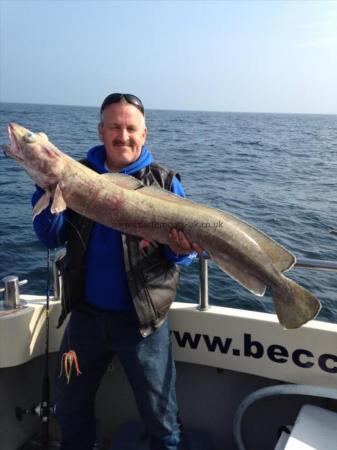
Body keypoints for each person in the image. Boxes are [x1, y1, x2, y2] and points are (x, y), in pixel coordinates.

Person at [32, 93, 202, 450]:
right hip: (85, 320)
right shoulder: (75, 174)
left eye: (130, 128)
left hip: (143, 325)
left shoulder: (165, 182)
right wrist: (46, 188)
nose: (122, 136)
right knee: (71, 407)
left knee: (161, 418)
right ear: (100, 131)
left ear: (144, 133)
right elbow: (51, 238)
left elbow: (181, 258)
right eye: (114, 127)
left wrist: (179, 249)